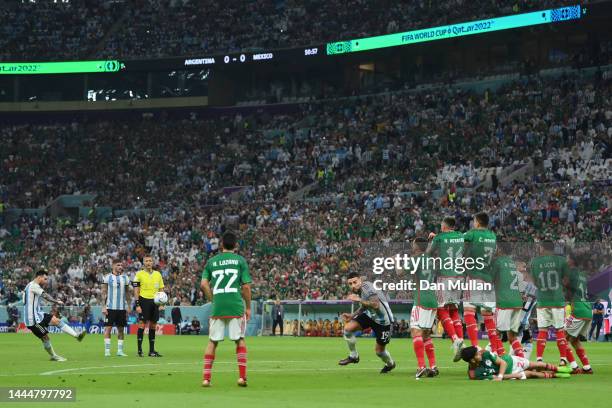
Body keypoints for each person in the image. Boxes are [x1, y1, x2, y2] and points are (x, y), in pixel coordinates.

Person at [200, 231, 252, 387]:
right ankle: (242, 378)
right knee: (239, 340)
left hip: (218, 306)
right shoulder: (240, 261)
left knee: (212, 342)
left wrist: (212, 299)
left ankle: (206, 379)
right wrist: (248, 307)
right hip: (235, 305)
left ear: (221, 245)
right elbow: (246, 287)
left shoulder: (211, 262)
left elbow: (203, 284)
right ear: (236, 245)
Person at [338, 272, 396, 374]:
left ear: (360, 280)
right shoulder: (360, 289)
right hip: (370, 316)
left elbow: (376, 305)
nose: (353, 285)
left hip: (384, 322)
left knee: (379, 352)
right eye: (350, 284)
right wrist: (352, 315)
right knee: (348, 329)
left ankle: (390, 364)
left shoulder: (367, 288)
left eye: (355, 282)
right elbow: (365, 306)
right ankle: (353, 356)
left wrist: (358, 299)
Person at [23, 270, 86, 361]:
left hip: (38, 315)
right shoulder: (34, 286)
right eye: (45, 279)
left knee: (57, 321)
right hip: (32, 319)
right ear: (39, 277)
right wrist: (56, 301)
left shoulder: (29, 285)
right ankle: (53, 356)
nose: (46, 281)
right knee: (45, 337)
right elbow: (46, 296)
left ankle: (77, 336)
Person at [462, 212, 500, 355]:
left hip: (475, 277)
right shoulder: (492, 236)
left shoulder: (473, 233)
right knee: (488, 315)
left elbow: (458, 240)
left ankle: (475, 347)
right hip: (489, 280)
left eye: (473, 221)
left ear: (477, 222)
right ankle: (495, 350)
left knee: (469, 311)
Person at [427, 217, 464, 356]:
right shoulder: (460, 236)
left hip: (445, 276)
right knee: (454, 310)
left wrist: (432, 239)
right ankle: (460, 340)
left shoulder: (439, 237)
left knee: (441, 309)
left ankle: (455, 340)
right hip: (459, 277)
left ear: (443, 226)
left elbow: (429, 253)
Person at [529, 241, 569, 364]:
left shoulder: (535, 262)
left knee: (542, 330)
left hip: (542, 300)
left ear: (542, 248)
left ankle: (539, 359)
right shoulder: (562, 261)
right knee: (560, 330)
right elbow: (566, 280)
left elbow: (535, 282)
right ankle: (563, 359)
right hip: (557, 299)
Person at [409, 237, 439, 379]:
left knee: (416, 331)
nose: (411, 245)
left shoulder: (416, 258)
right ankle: (433, 366)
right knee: (426, 334)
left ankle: (421, 366)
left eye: (413, 243)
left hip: (421, 299)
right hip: (433, 299)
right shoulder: (431, 260)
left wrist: (396, 261)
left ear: (416, 246)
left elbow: (400, 272)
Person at [460, 346, 571, 380]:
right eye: (477, 354)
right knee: (532, 374)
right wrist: (515, 375)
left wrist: (500, 375)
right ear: (472, 360)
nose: (479, 353)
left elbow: (503, 363)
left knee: (534, 364)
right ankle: (556, 375)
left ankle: (558, 368)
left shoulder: (485, 354)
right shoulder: (476, 373)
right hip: (510, 374)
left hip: (511, 361)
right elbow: (495, 377)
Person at [492, 243, 525, 357]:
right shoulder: (512, 264)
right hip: (517, 302)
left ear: (500, 249)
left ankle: (499, 358)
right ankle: (522, 360)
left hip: (504, 302)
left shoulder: (497, 262)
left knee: (495, 332)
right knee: (512, 336)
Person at [564, 254, 593, 373]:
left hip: (578, 310)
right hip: (587, 309)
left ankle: (574, 367)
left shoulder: (571, 272)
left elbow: (564, 285)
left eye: (567, 258)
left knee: (562, 338)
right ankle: (587, 367)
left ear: (571, 260)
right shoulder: (583, 275)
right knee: (575, 340)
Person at [133, 255, 165, 357]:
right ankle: (139, 350)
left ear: (152, 262)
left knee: (153, 325)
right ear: (143, 263)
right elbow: (136, 291)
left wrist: (161, 304)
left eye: (150, 261)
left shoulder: (158, 274)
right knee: (142, 324)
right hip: (143, 301)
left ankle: (151, 351)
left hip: (155, 302)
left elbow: (161, 290)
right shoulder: (139, 274)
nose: (148, 263)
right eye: (146, 261)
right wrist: (137, 304)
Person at [101, 260, 131, 357]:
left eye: (121, 265)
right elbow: (103, 292)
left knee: (121, 330)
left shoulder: (125, 278)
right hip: (110, 308)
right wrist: (103, 306)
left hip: (121, 308)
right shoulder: (107, 277)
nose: (120, 266)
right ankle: (107, 351)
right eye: (118, 265)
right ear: (113, 266)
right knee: (108, 329)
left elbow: (127, 293)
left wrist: (129, 306)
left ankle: (120, 351)